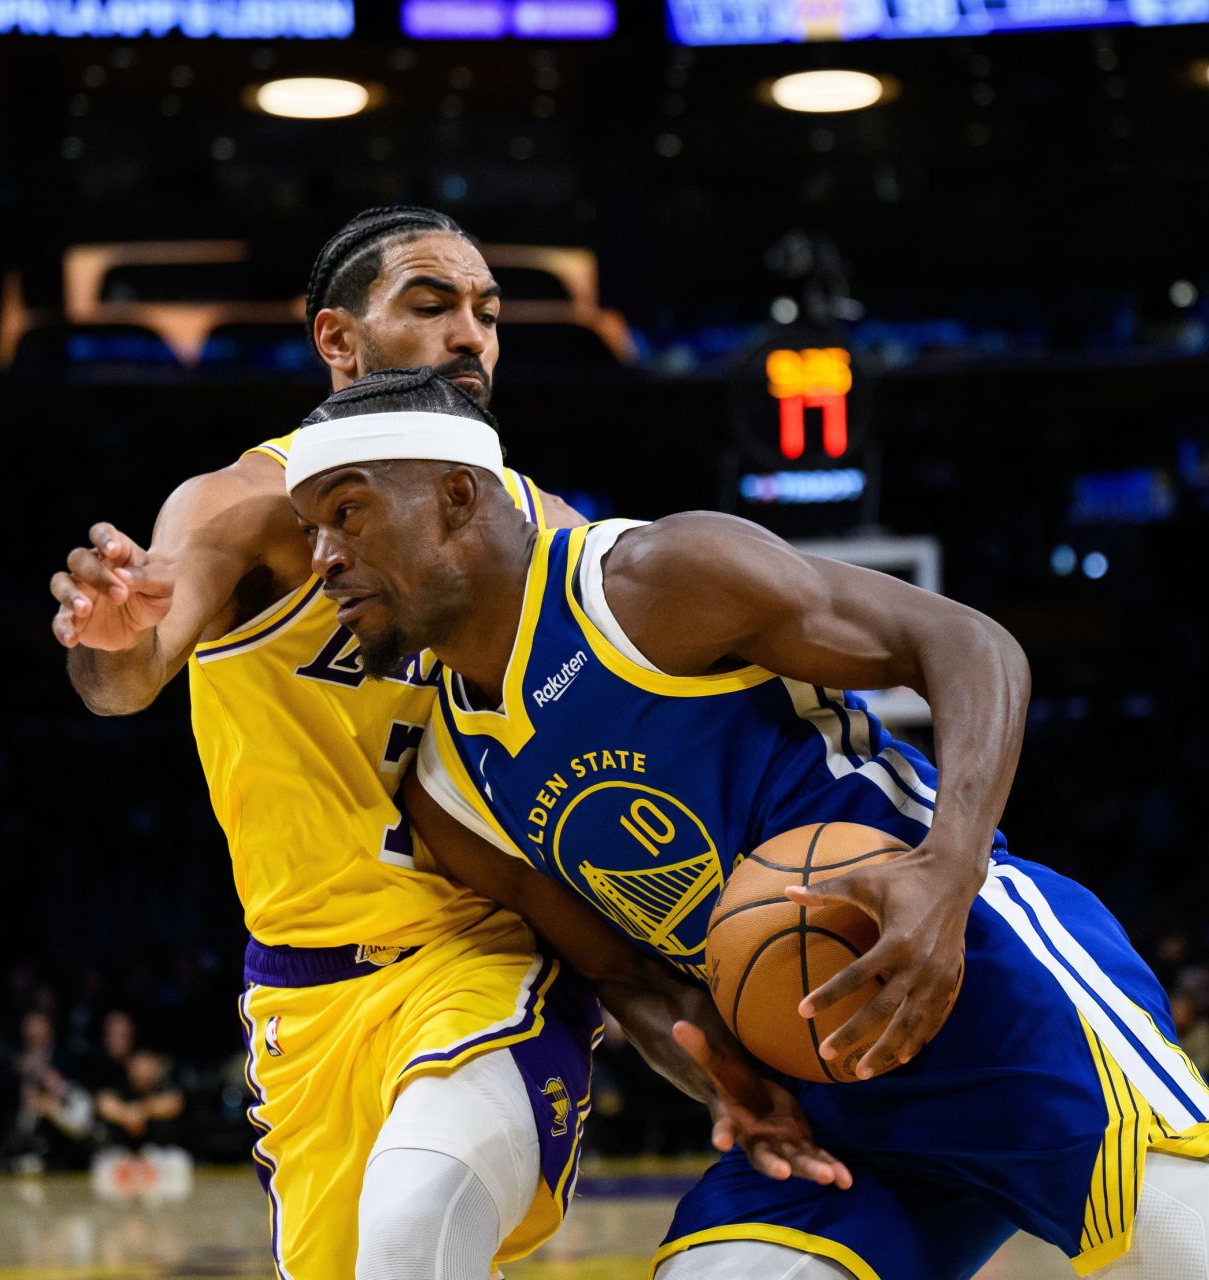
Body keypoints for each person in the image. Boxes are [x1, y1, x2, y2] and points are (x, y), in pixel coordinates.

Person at [284, 384, 1209, 1280]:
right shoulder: (449, 785)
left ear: (457, 495)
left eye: (348, 514)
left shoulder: (646, 585)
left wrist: (945, 872)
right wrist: (723, 1077)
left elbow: (969, 644)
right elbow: (623, 973)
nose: (323, 559)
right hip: (822, 1094)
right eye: (311, 532)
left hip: (976, 977)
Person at [44, 210, 821, 1280]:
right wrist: (113, 640)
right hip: (304, 1000)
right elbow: (130, 670)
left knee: (416, 1224)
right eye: (432, 304)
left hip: (488, 959)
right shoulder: (245, 507)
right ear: (337, 341)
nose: (473, 334)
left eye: (488, 313)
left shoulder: (535, 530)